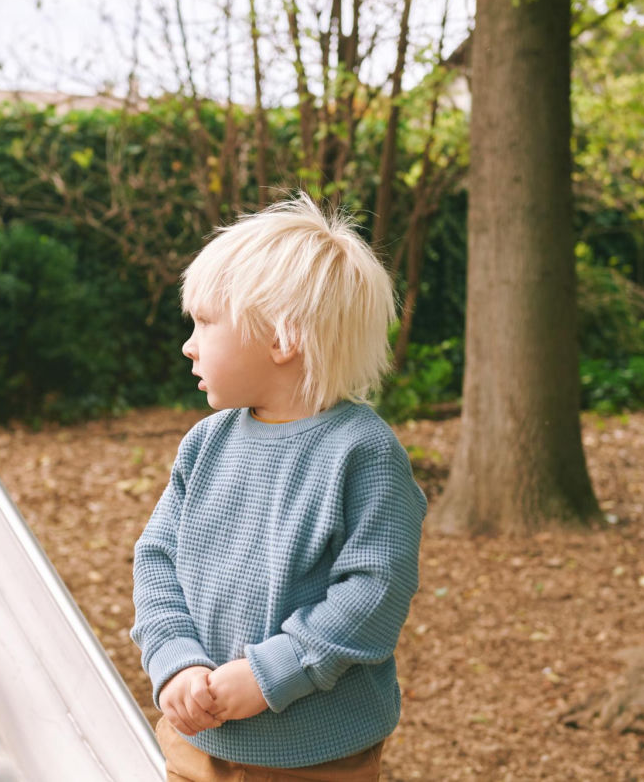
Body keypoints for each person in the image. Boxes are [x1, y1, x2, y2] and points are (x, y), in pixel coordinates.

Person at [131, 194, 427, 781]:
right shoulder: (205, 444)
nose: (189, 344)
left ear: (282, 339)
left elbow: (373, 592)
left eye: (206, 323)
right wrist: (176, 662)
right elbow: (157, 560)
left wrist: (272, 672)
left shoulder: (361, 453)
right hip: (196, 740)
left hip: (315, 758)